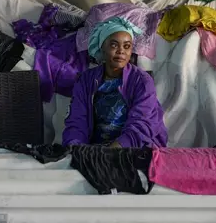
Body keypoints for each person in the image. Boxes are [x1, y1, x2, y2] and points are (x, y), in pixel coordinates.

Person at [62, 16, 168, 148]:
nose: (121, 51)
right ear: (102, 48)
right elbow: (77, 121)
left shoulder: (141, 81)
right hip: (97, 149)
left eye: (127, 46)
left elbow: (142, 124)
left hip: (135, 148)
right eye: (114, 45)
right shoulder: (85, 80)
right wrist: (76, 148)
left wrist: (114, 150)